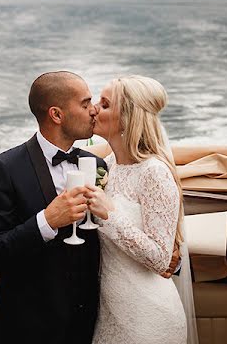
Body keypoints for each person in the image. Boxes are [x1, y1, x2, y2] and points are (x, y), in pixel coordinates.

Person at [0, 71, 107, 344]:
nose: (93, 110)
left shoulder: (97, 166)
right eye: (85, 104)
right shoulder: (4, 169)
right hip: (28, 329)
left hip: (89, 327)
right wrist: (47, 221)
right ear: (56, 115)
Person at [86, 75, 195, 344]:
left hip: (147, 316)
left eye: (105, 104)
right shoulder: (106, 166)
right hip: (109, 313)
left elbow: (160, 259)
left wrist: (108, 214)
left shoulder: (154, 173)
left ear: (127, 118)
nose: (94, 108)